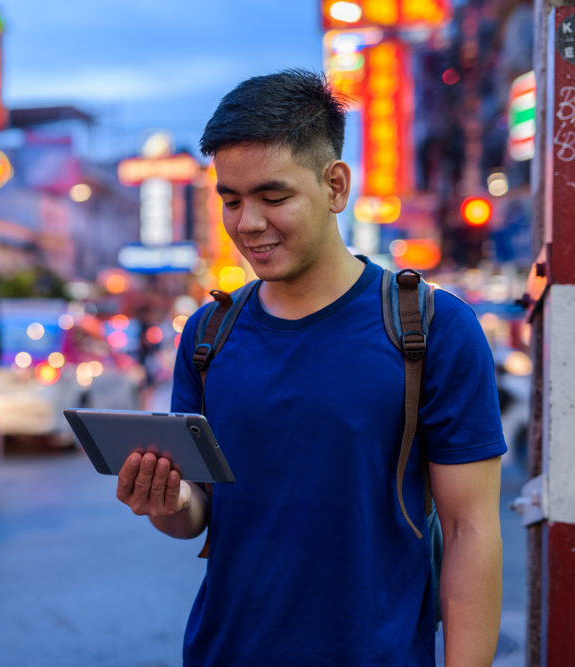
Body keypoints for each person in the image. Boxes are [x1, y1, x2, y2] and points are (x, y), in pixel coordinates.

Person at [115, 70, 505, 665]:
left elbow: (471, 530)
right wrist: (164, 501)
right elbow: (196, 517)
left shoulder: (432, 329)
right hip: (224, 651)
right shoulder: (206, 335)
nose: (248, 223)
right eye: (231, 199)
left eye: (273, 197)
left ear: (335, 185)